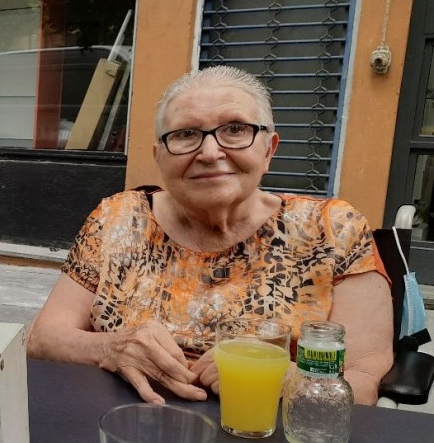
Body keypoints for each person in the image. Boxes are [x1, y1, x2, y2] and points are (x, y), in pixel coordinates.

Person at [28, 65, 393, 406]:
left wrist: (286, 380)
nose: (210, 152)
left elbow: (364, 378)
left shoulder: (332, 229)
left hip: (265, 433)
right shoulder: (118, 218)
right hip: (123, 421)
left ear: (269, 149)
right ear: (159, 156)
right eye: (185, 134)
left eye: (235, 129)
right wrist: (111, 348)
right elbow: (43, 338)